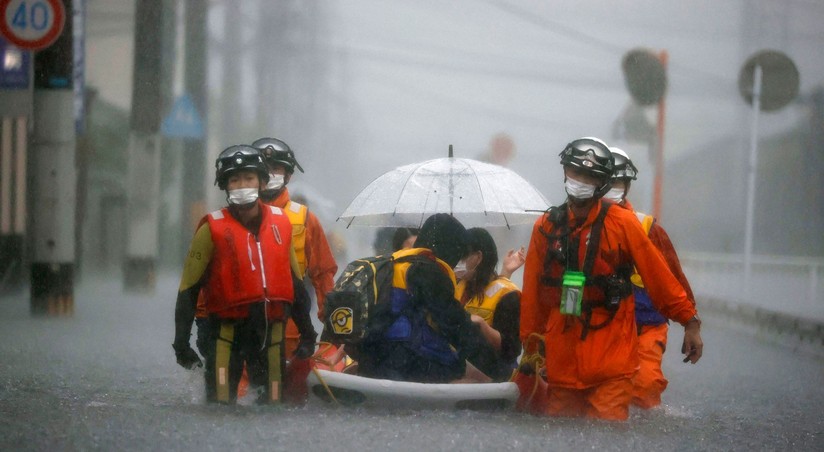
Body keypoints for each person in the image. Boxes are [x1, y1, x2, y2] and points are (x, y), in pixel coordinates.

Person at [520, 137, 704, 421]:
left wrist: (689, 322)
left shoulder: (624, 224)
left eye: (589, 175)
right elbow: (533, 293)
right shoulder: (545, 227)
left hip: (611, 356)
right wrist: (531, 348)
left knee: (607, 434)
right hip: (563, 357)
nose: (579, 180)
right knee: (559, 432)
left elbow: (660, 278)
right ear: (565, 172)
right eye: (575, 172)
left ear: (601, 183)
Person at [172, 145, 317, 404]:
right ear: (225, 185)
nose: (242, 185)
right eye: (234, 179)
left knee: (273, 406)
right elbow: (188, 289)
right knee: (220, 405)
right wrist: (181, 343)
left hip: (271, 335)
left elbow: (295, 284)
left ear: (261, 181)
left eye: (248, 178)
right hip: (226, 335)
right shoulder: (211, 228)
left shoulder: (282, 223)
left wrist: (308, 333)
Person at [357, 213, 503, 383]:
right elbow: (456, 326)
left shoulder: (393, 262)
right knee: (471, 376)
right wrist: (494, 368)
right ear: (449, 246)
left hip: (371, 358)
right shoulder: (429, 271)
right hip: (405, 362)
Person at [605, 147, 697, 409]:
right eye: (605, 181)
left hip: (645, 326)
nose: (610, 187)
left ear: (626, 187)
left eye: (616, 181)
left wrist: (691, 324)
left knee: (644, 387)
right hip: (599, 328)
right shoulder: (576, 225)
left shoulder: (647, 228)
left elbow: (674, 279)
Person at [251, 137, 338, 359]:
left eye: (276, 168)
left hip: (291, 332)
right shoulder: (232, 218)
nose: (269, 173)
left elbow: (323, 274)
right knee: (237, 392)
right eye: (264, 168)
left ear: (288, 175)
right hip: (242, 329)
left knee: (288, 392)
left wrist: (330, 327)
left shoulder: (305, 218)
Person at [454, 227, 526, 381]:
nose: (457, 261)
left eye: (462, 255)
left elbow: (511, 350)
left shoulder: (508, 294)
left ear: (478, 257)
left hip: (493, 375)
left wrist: (481, 325)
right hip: (460, 369)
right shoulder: (457, 284)